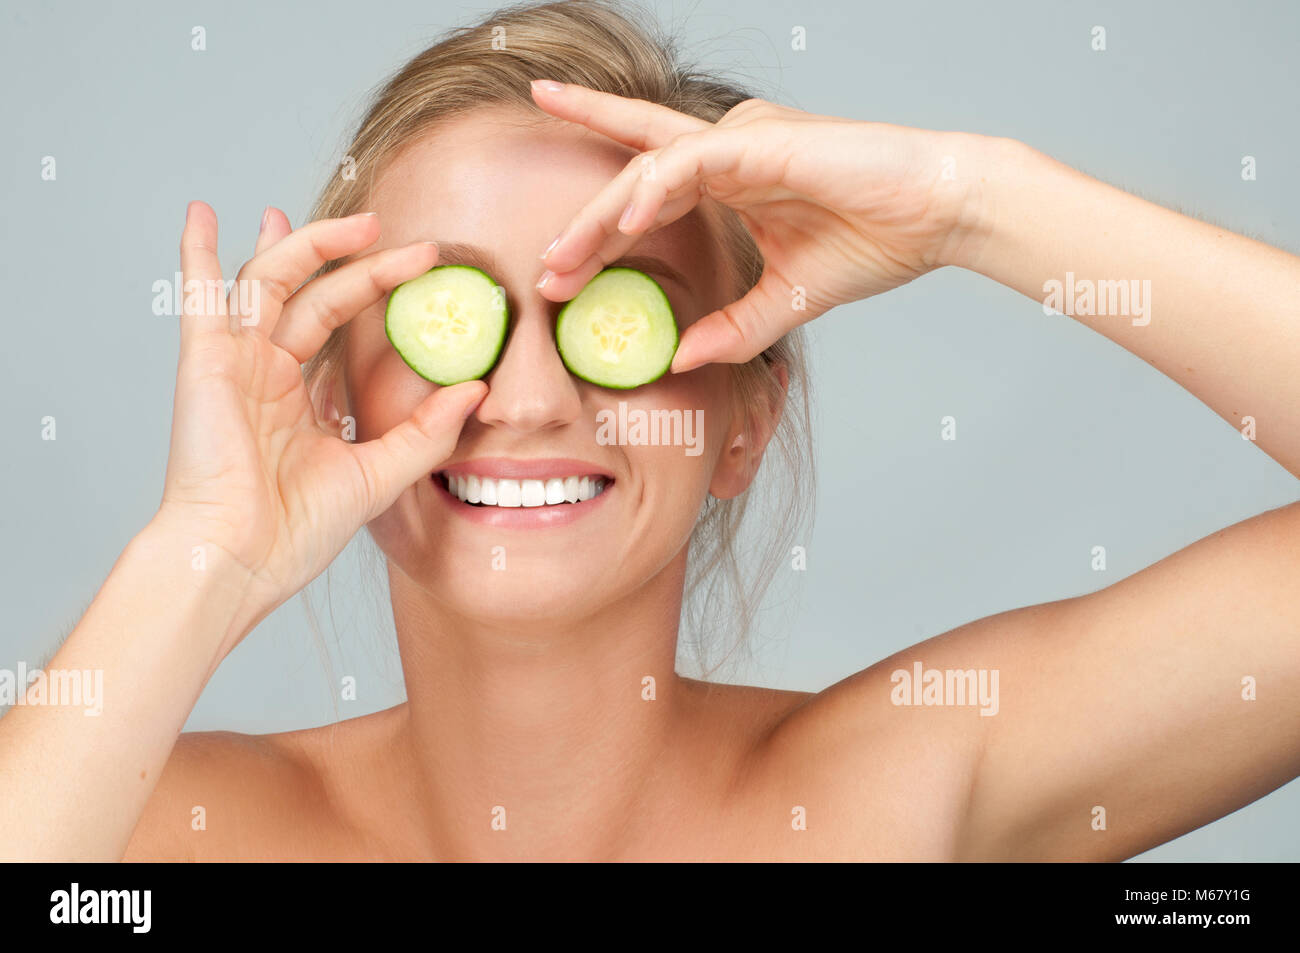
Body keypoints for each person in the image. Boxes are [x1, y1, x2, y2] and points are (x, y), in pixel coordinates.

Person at [3, 0, 1297, 861]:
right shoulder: (166, 832)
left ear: (743, 422)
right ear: (336, 398)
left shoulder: (901, 789)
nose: (527, 397)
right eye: (446, 311)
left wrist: (974, 200)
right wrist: (202, 550)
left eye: (610, 315)